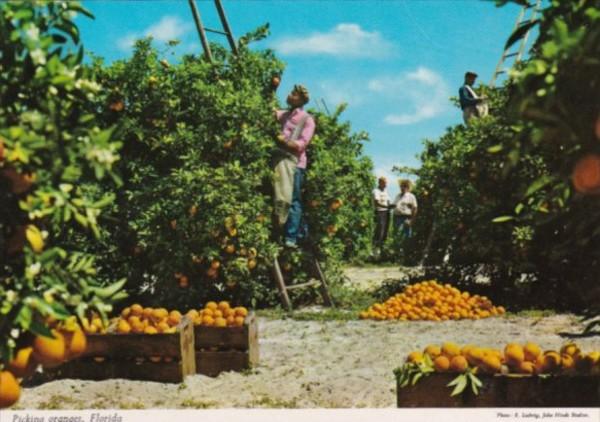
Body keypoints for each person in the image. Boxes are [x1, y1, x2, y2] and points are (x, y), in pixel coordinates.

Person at [273, 84, 315, 248]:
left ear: (302, 100)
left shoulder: (307, 119)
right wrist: (273, 87)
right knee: (280, 197)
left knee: (293, 199)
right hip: (280, 161)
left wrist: (284, 141)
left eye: (294, 94)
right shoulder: (284, 114)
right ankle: (281, 232)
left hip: (295, 164)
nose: (290, 95)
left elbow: (301, 144)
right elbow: (268, 109)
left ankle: (291, 236)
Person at [372, 176, 391, 257]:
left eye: (386, 183)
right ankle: (375, 250)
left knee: (385, 231)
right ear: (380, 182)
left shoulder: (385, 191)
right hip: (380, 212)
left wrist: (390, 206)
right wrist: (386, 207)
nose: (386, 185)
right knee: (380, 231)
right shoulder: (376, 191)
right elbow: (376, 203)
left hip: (386, 212)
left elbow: (388, 201)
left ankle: (383, 250)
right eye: (384, 183)